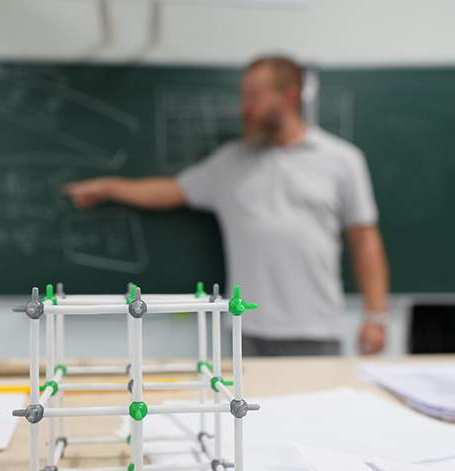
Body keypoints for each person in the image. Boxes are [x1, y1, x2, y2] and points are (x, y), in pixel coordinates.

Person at [63, 55, 389, 355]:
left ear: (289, 96)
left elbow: (364, 240)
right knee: (242, 403)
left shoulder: (342, 160)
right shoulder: (230, 162)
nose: (245, 107)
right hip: (246, 330)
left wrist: (376, 316)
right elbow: (170, 191)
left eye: (254, 96)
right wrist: (110, 187)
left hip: (316, 330)